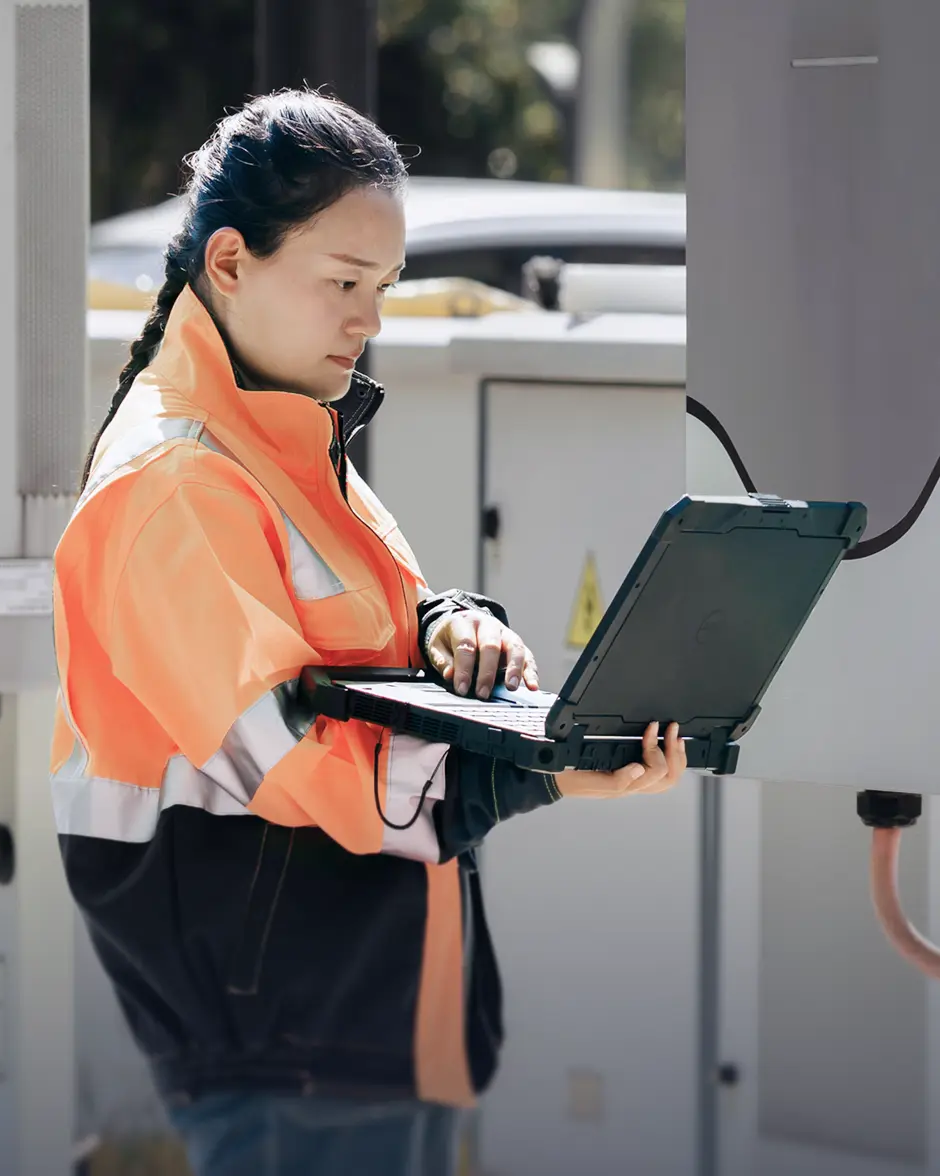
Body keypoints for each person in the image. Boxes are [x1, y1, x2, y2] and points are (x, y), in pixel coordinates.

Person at [50, 89, 686, 1176]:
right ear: (233, 262)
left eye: (382, 288)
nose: (370, 320)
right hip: (290, 1041)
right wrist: (535, 771)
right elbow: (298, 762)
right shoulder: (175, 484)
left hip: (358, 1020)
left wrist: (449, 630)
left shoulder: (285, 434)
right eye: (345, 283)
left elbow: (351, 643)